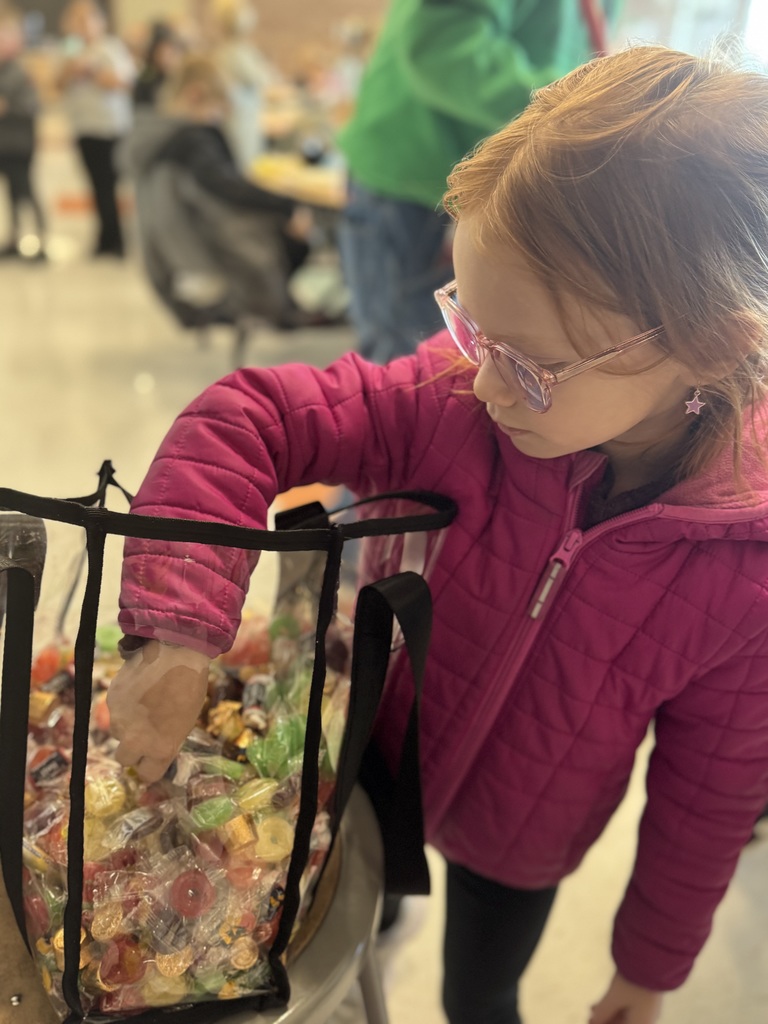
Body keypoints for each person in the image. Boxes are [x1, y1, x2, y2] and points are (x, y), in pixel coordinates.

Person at [107, 46, 768, 1024]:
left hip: (525, 838)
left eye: (532, 365)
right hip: (366, 756)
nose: (491, 386)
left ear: (708, 347)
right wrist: (177, 632)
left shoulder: (744, 571)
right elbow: (248, 418)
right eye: (474, 329)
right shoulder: (453, 399)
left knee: (481, 994)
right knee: (341, 914)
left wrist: (648, 967)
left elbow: (709, 794)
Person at [337, 0, 617, 365]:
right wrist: (573, 110)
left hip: (490, 181)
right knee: (406, 359)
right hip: (416, 173)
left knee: (467, 359)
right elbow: (440, 45)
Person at [122, 56, 310, 330]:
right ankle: (280, 310)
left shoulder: (156, 136)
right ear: (195, 95)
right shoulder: (193, 141)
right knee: (301, 234)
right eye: (219, 108)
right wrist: (286, 205)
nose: (220, 118)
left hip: (177, 256)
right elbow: (227, 188)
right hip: (212, 253)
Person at [57, 0, 135, 257]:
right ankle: (105, 238)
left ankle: (117, 241)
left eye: (86, 19)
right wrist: (71, 69)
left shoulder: (111, 48)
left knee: (110, 185)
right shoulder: (70, 51)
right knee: (96, 187)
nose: (81, 26)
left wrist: (92, 70)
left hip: (110, 127)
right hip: (84, 126)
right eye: (76, 20)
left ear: (100, 22)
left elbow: (122, 83)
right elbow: (57, 85)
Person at [0, 4, 45, 258]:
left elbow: (31, 105)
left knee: (27, 192)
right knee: (11, 195)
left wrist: (9, 106)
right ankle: (14, 238)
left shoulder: (20, 71)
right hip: (3, 143)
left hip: (20, 143)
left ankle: (39, 239)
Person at [132, 20, 185, 109]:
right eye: (161, 54)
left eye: (170, 54)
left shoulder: (180, 77)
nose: (166, 59)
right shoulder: (146, 78)